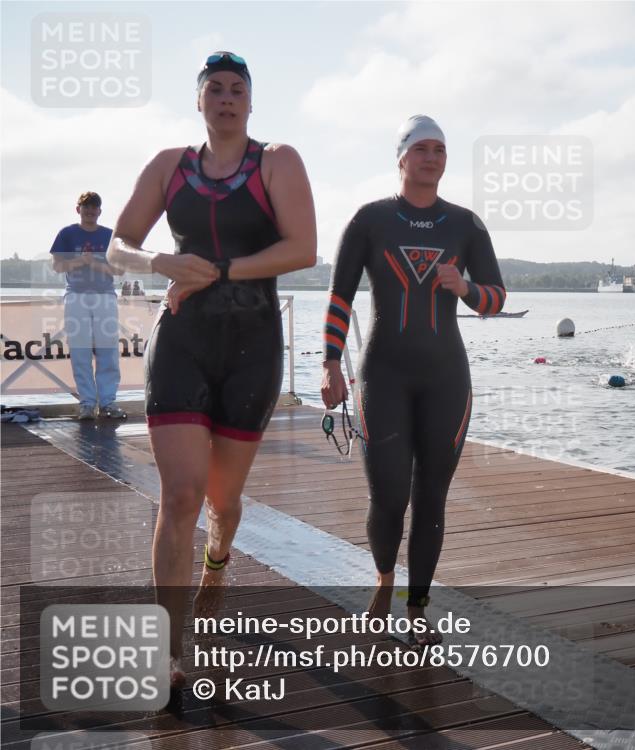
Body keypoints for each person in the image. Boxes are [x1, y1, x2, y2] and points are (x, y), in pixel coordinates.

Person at [107, 51, 316, 687]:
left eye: (237, 90)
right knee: (179, 497)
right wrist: (159, 265)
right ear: (198, 101)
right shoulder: (169, 166)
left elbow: (303, 249)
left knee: (223, 503)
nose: (226, 98)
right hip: (184, 338)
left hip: (253, 343)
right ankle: (168, 650)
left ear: (250, 103)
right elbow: (118, 246)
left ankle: (217, 560)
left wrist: (221, 270)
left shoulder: (277, 160)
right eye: (215, 89)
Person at [320, 115, 506, 648]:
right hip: (384, 374)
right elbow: (340, 296)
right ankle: (383, 582)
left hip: (446, 377)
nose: (431, 158)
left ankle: (418, 607)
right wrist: (330, 363)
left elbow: (496, 299)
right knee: (389, 492)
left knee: (432, 496)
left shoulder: (466, 225)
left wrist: (465, 287)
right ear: (401, 158)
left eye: (440, 150)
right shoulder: (370, 220)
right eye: (421, 149)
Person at [50, 192, 126, 420]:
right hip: (76, 297)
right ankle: (86, 404)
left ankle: (108, 402)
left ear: (100, 211)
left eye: (94, 208)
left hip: (105, 297)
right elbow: (57, 266)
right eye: (86, 207)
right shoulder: (67, 233)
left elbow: (119, 271)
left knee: (108, 351)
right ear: (78, 210)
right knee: (80, 350)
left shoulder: (110, 236)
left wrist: (94, 263)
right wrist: (81, 261)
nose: (90, 211)